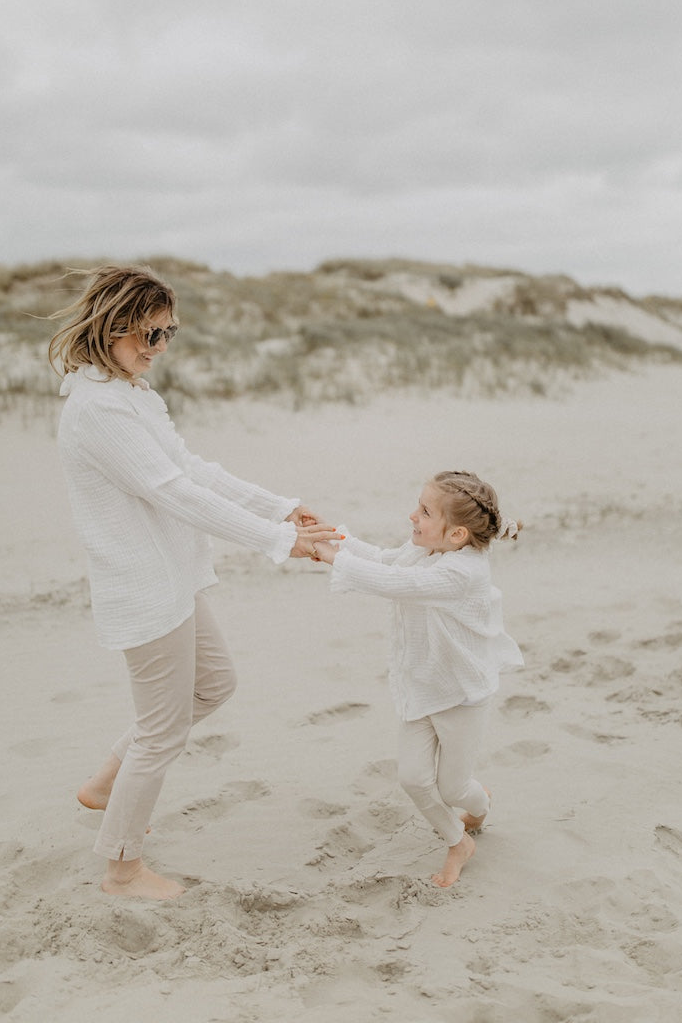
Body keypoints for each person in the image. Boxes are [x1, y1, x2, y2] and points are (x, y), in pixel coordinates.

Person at [48, 264, 338, 900]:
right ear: (110, 328)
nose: (157, 349)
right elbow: (173, 493)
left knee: (213, 685)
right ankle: (121, 870)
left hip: (172, 573)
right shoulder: (98, 410)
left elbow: (189, 467)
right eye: (146, 335)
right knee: (161, 731)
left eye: (167, 334)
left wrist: (278, 507)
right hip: (142, 586)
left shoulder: (132, 393)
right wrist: (280, 542)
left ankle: (103, 787)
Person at [313, 470, 523, 888]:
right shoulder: (423, 551)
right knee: (412, 778)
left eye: (425, 512)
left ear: (458, 535)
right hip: (421, 685)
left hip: (461, 695)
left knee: (453, 788)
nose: (412, 516)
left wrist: (333, 558)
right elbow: (384, 560)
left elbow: (396, 584)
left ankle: (478, 804)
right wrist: (333, 537)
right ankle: (457, 842)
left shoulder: (463, 573)